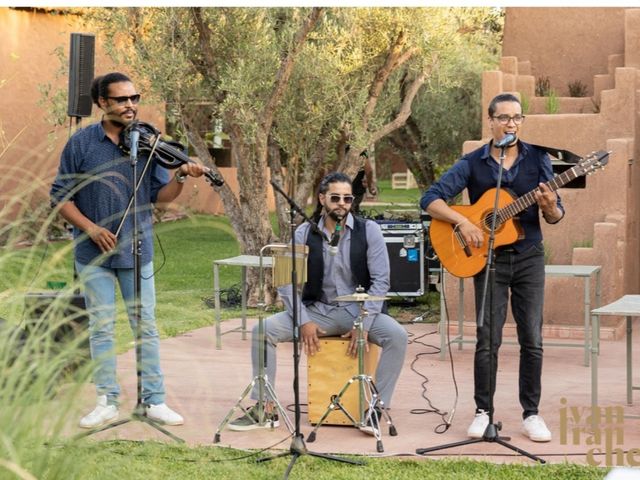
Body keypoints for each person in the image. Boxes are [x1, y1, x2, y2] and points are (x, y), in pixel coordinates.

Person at [50, 72, 209, 428]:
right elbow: (60, 197)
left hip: (138, 250)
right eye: (122, 99)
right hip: (93, 254)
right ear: (102, 104)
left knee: (146, 327)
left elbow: (160, 198)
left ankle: (154, 401)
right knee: (102, 327)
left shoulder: (148, 141)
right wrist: (90, 229)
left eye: (134, 98)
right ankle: (106, 400)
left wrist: (181, 176)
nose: (130, 105)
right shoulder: (81, 144)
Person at [420, 93, 564, 443]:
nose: (511, 123)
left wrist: (547, 206)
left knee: (532, 338)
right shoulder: (473, 163)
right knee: (488, 337)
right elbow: (430, 199)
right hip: (488, 258)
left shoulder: (539, 159)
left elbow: (556, 214)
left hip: (529, 255)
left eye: (517, 117)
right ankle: (483, 411)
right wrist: (464, 223)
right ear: (491, 121)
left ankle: (531, 414)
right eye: (504, 117)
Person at [229, 172, 407, 432]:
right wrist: (303, 321)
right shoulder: (302, 233)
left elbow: (381, 281)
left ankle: (376, 409)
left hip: (357, 312)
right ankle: (265, 408)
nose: (342, 204)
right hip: (317, 311)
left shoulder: (370, 231)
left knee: (398, 336)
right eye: (335, 198)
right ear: (322, 199)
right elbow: (285, 281)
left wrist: (364, 324)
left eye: (347, 198)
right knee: (261, 331)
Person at [351, 150, 377, 215]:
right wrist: (370, 186)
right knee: (352, 215)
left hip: (339, 189)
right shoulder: (360, 149)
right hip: (355, 189)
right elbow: (369, 170)